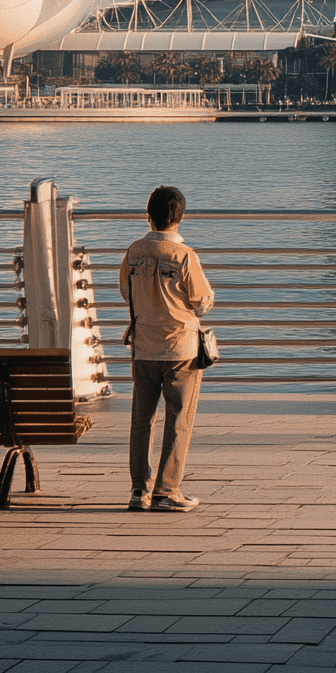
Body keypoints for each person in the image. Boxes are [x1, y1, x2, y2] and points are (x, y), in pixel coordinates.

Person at [118, 184, 215, 512]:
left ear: (148, 216)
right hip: (180, 349)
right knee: (178, 419)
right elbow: (202, 303)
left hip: (143, 347)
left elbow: (125, 292)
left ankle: (138, 489)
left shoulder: (133, 252)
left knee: (141, 419)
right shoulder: (185, 256)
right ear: (180, 218)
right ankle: (167, 489)